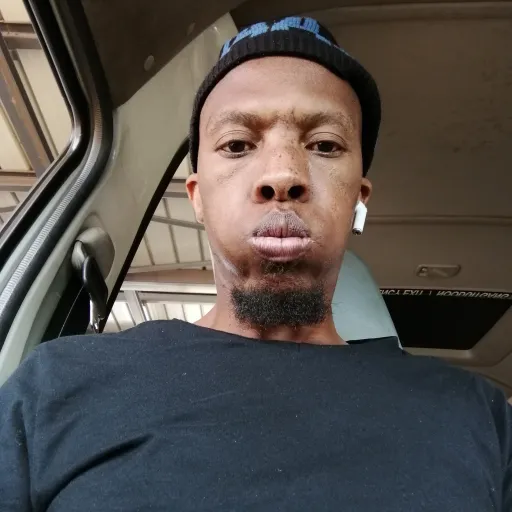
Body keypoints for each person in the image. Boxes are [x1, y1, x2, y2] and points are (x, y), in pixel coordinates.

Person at [1, 16, 511, 511]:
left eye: (325, 145)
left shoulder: (479, 418)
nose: (283, 175)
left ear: (359, 197)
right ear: (197, 197)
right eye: (238, 145)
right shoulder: (57, 385)